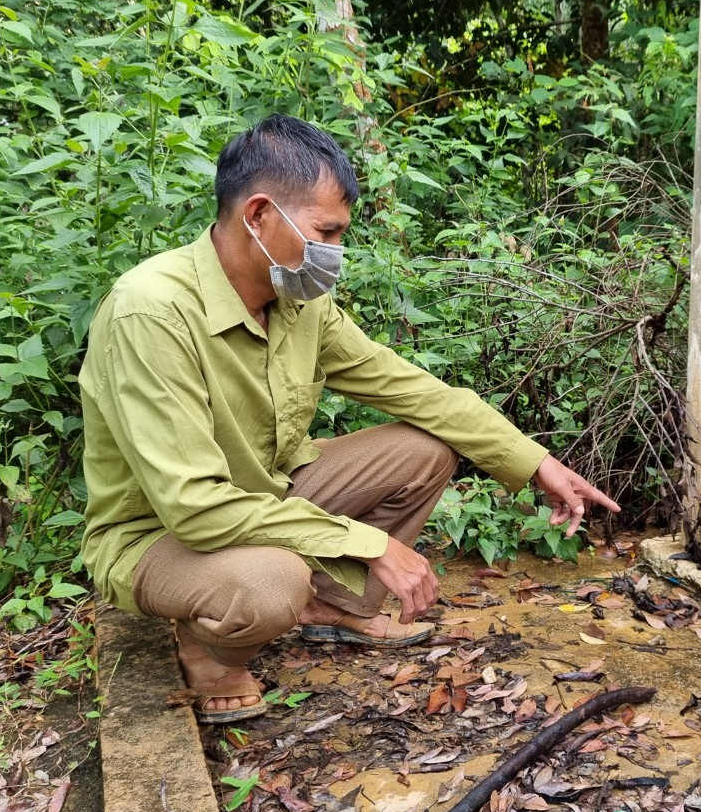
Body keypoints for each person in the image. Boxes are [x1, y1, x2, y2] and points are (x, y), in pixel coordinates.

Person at [79, 114, 619, 724]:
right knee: (269, 583)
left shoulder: (297, 300)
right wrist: (369, 545)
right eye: (326, 232)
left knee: (425, 449)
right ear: (258, 215)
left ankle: (329, 607)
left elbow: (414, 390)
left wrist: (535, 462)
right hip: (160, 535)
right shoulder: (150, 313)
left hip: (268, 496)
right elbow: (196, 505)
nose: (335, 253)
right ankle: (209, 648)